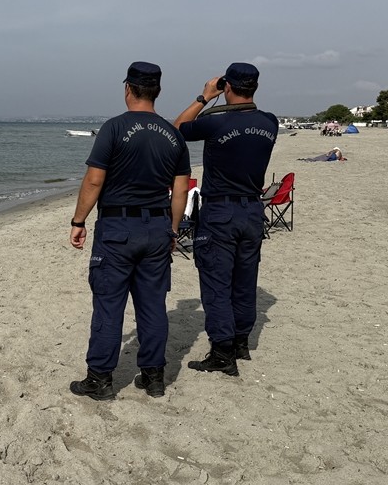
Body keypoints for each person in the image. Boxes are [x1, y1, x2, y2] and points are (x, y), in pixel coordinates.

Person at [69, 61, 191, 400]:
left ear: (128, 88)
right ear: (158, 91)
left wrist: (78, 221)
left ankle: (100, 379)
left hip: (117, 227)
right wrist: (173, 229)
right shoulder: (173, 135)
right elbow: (180, 190)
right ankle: (153, 377)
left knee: (109, 304)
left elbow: (95, 179)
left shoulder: (114, 128)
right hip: (156, 226)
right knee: (152, 305)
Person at [173, 63, 278, 376]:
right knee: (245, 281)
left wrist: (205, 97)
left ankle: (222, 352)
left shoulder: (216, 122)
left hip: (221, 210)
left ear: (227, 86)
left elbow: (177, 129)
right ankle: (241, 342)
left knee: (217, 282)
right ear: (255, 87)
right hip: (252, 209)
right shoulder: (269, 122)